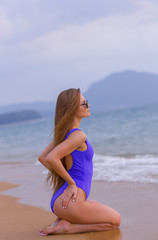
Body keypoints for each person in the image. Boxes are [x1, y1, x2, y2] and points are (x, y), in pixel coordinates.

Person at [38, 88, 121, 236]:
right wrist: (71, 183)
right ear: (71, 109)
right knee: (115, 221)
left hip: (61, 201)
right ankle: (67, 227)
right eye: (84, 104)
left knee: (110, 217)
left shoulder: (64, 134)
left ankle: (64, 220)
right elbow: (51, 158)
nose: (88, 106)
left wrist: (65, 178)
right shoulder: (78, 136)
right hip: (70, 202)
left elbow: (42, 157)